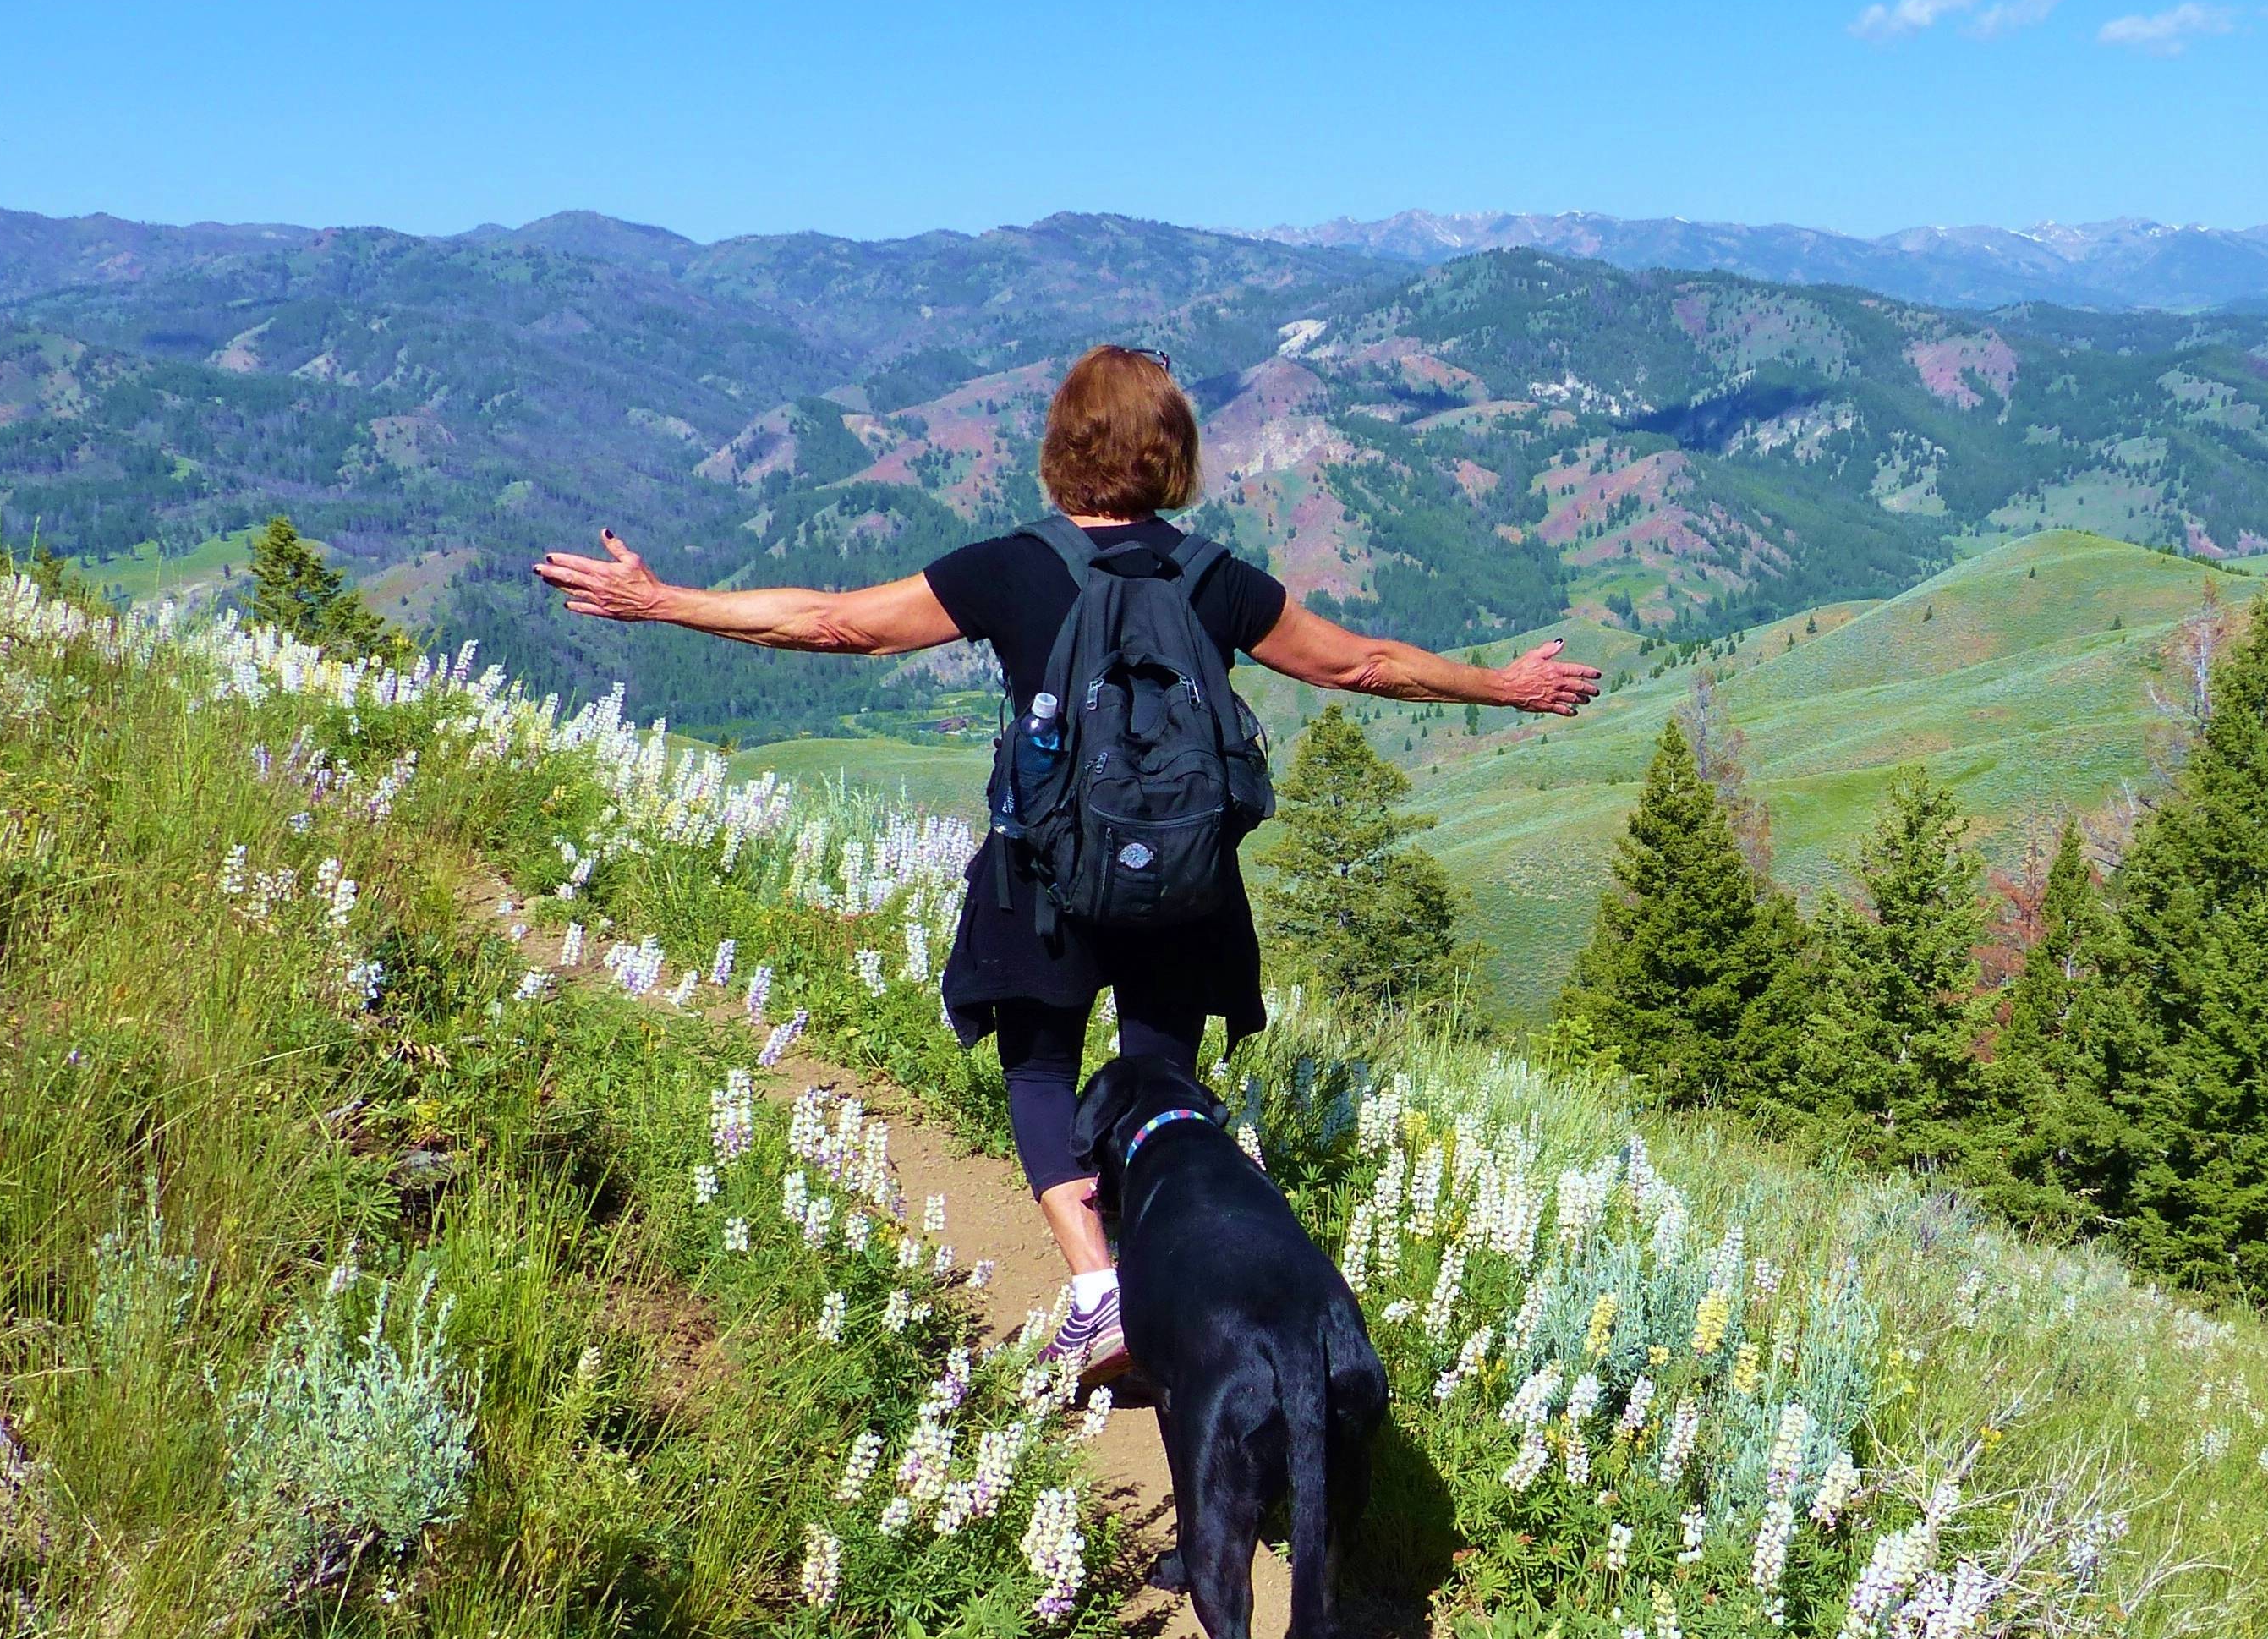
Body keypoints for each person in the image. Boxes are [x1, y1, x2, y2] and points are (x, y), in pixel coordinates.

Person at [534, 343, 1602, 1380]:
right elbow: (1364, 664)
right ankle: (1172, 1284)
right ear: (1171, 455)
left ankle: (1098, 1292)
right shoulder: (1216, 580)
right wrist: (1503, 687)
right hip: (1185, 885)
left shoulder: (1009, 570)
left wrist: (663, 601)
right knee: (1163, 1078)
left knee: (1041, 1069)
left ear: (1061, 449)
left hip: (1043, 873)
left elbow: (835, 625)